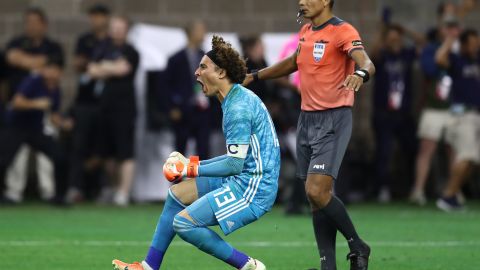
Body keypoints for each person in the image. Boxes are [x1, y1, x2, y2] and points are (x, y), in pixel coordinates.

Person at [112, 35, 280, 270]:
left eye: (203, 67)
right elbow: (237, 161)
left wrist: (189, 167)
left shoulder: (238, 108)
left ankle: (248, 266)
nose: (196, 73)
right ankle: (149, 266)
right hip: (243, 178)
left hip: (253, 189)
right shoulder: (235, 99)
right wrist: (190, 165)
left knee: (184, 223)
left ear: (221, 73)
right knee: (176, 195)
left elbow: (234, 165)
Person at [243, 0, 375, 269]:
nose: (302, 1)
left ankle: (357, 244)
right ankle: (328, 265)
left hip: (334, 118)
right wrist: (255, 76)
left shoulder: (343, 31)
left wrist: (360, 73)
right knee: (315, 198)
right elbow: (293, 62)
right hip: (307, 119)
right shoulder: (305, 31)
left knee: (316, 190)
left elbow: (367, 62)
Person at [0, 59, 70, 205]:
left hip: (35, 129)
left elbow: (53, 115)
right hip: (16, 127)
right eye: (49, 69)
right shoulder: (32, 81)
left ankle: (59, 197)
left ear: (60, 73)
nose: (52, 73)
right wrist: (36, 103)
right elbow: (17, 102)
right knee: (3, 160)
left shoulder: (55, 89)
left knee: (60, 157)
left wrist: (63, 123)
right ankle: (5, 195)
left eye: (55, 70)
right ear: (44, 70)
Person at [87, 15, 139, 206]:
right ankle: (113, 187)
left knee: (125, 151)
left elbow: (123, 69)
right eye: (114, 28)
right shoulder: (102, 48)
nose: (117, 31)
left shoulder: (132, 51)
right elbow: (91, 70)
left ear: (126, 30)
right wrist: (109, 67)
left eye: (121, 28)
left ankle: (124, 192)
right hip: (105, 107)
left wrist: (103, 67)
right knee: (107, 152)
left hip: (124, 109)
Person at [370, 23, 423, 203]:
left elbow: (422, 42)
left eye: (396, 38)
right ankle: (382, 188)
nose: (394, 41)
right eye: (391, 38)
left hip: (404, 113)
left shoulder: (406, 55)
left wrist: (403, 30)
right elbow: (373, 53)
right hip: (384, 113)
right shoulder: (382, 56)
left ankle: (411, 187)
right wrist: (383, 31)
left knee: (412, 149)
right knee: (384, 152)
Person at [66, 4, 111, 203]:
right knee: (79, 145)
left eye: (99, 16)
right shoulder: (85, 40)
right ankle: (75, 187)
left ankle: (101, 188)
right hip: (85, 102)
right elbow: (78, 64)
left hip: (105, 103)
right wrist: (96, 66)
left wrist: (100, 68)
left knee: (102, 147)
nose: (96, 20)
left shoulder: (112, 43)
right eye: (93, 16)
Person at [435, 28, 480, 211]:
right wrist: (450, 39)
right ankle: (447, 196)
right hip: (463, 115)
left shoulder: (476, 60)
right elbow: (439, 59)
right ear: (462, 44)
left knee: (473, 160)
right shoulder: (457, 60)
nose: (475, 46)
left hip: (476, 115)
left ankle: (453, 195)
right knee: (466, 156)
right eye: (471, 43)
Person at [165, 21, 213, 159]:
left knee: (203, 151)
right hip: (182, 111)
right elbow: (166, 86)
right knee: (179, 150)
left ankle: (201, 180)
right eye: (200, 30)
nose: (203, 33)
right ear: (191, 33)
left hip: (202, 111)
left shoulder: (206, 58)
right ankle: (177, 180)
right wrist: (172, 107)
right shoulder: (175, 59)